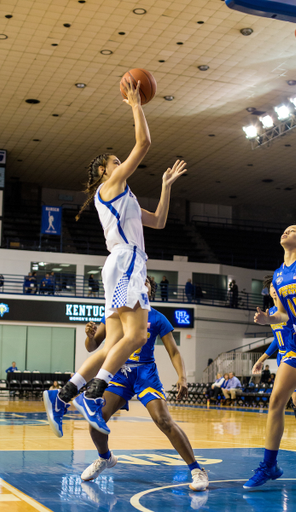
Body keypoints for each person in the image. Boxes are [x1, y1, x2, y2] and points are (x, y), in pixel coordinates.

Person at [43, 77, 187, 439]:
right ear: (105, 172)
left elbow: (158, 221)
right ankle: (93, 394)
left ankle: (62, 395)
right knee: (137, 336)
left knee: (115, 342)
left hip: (120, 264)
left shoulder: (124, 198)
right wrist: (135, 103)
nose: (121, 163)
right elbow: (145, 142)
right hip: (126, 263)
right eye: (115, 161)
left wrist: (166, 188)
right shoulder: (112, 187)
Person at [80, 277, 208, 491]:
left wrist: (182, 377)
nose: (140, 283)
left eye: (145, 282)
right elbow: (92, 347)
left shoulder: (157, 318)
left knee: (163, 420)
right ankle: (105, 458)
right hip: (119, 374)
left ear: (150, 290)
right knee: (96, 420)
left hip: (145, 374)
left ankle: (197, 470)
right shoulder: (115, 315)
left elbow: (174, 351)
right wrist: (90, 336)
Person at [244, 225, 296, 497]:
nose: (285, 231)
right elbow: (283, 314)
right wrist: (270, 319)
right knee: (277, 400)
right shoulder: (279, 275)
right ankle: (269, 465)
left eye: (292, 230)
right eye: (284, 229)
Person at [252, 275, 296, 464]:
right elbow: (277, 338)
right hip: (285, 359)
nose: (275, 290)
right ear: (269, 292)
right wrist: (261, 359)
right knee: (291, 402)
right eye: (272, 288)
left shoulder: (293, 309)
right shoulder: (274, 312)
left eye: (277, 286)